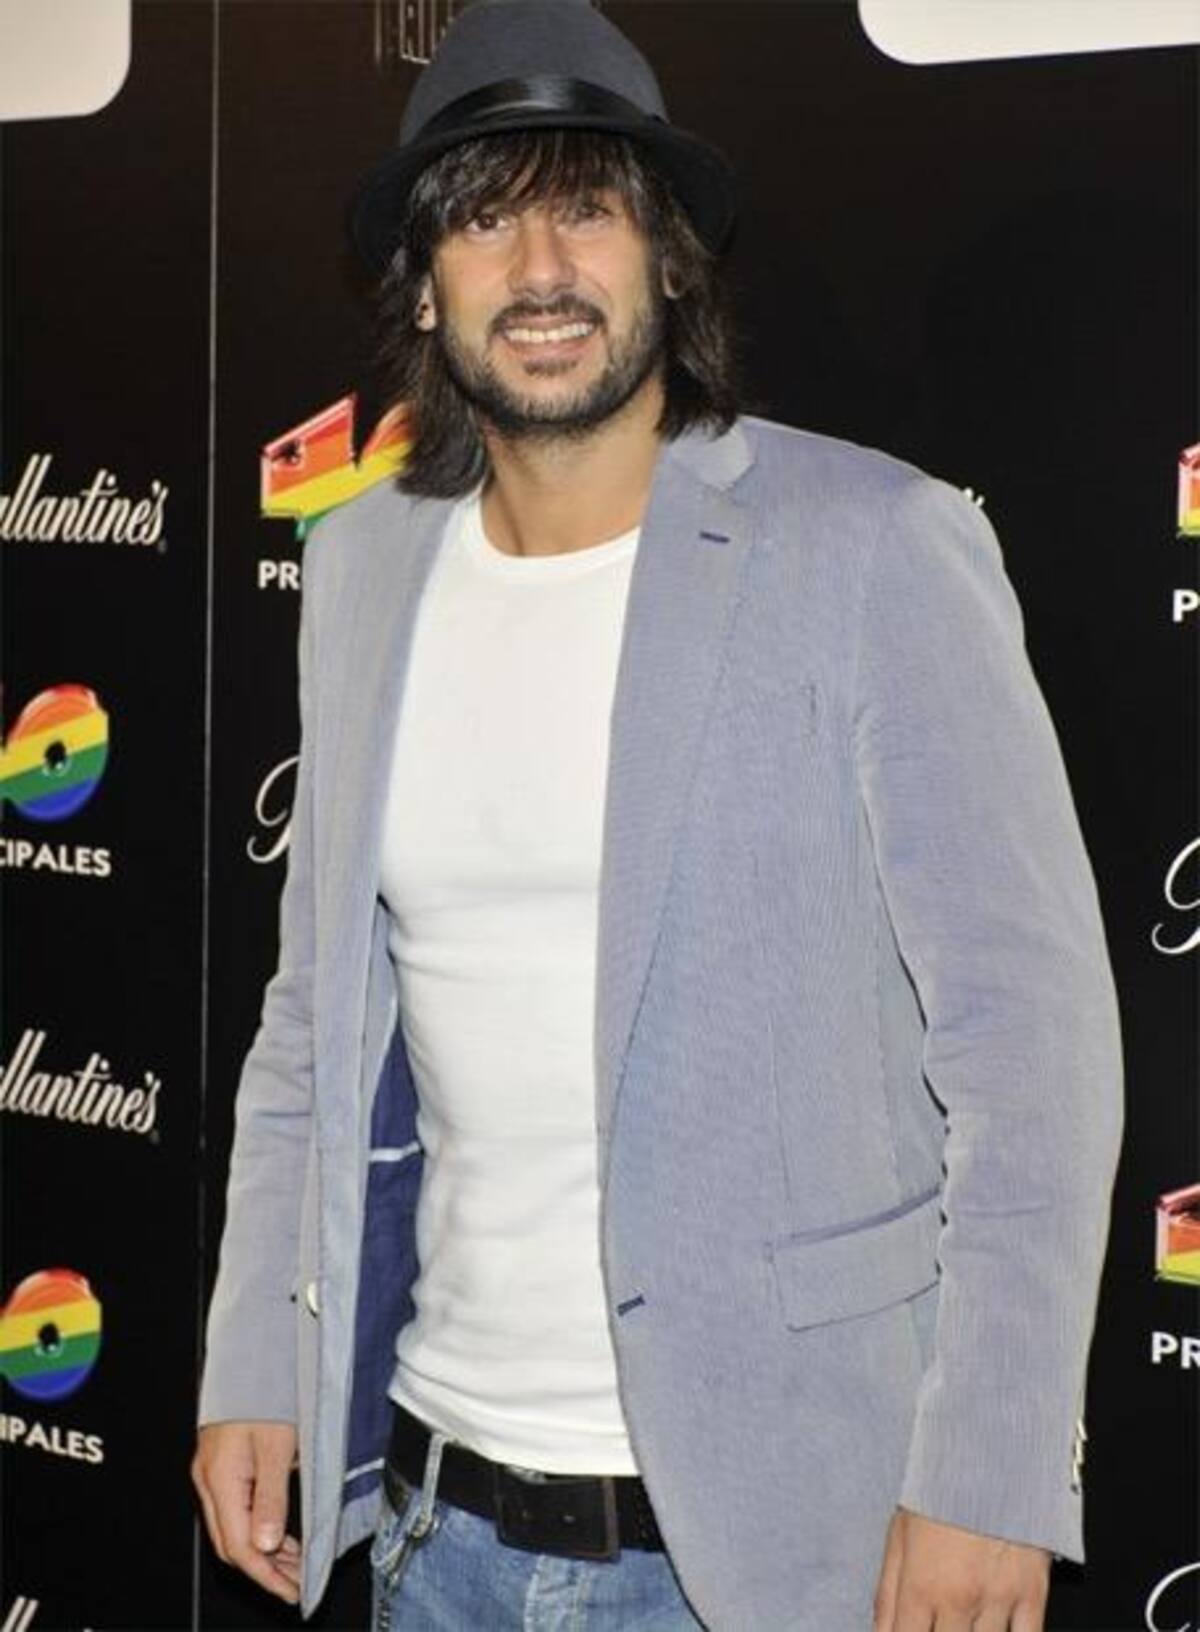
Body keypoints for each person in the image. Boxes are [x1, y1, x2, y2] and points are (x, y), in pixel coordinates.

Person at [191, 2, 1124, 1628]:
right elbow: (313, 1020)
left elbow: (1033, 1054)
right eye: (486, 220)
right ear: (424, 283)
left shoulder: (871, 549)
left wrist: (989, 1468)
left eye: (587, 209)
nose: (541, 268)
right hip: (432, 1530)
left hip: (771, 1552)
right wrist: (259, 1356)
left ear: (668, 261)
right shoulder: (361, 569)